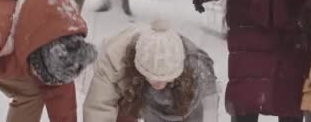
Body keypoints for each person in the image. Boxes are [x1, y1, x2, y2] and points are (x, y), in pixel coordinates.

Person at [83, 19, 219, 122]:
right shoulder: (114, 61)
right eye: (153, 76)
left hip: (180, 87)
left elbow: (209, 113)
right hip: (128, 84)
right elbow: (98, 109)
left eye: (165, 77)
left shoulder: (196, 65)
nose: (158, 83)